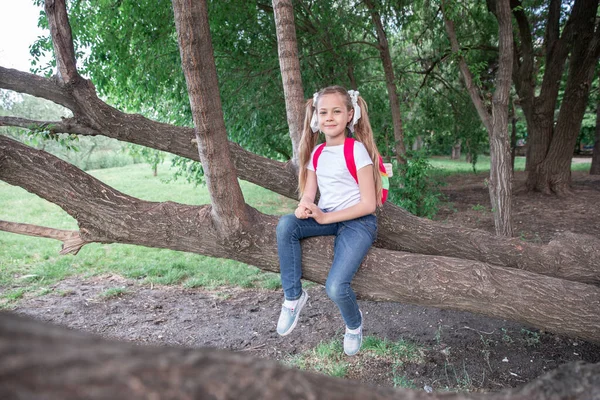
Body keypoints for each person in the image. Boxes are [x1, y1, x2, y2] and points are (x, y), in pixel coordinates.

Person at [275, 85, 384, 356]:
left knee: (335, 287)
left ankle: (354, 325)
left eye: (337, 111)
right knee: (286, 225)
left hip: (358, 222)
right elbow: (309, 195)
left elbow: (369, 204)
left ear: (350, 115)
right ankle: (293, 297)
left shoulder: (356, 150)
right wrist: (304, 208)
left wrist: (325, 217)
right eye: (323, 112)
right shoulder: (317, 154)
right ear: (316, 118)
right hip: (327, 218)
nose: (329, 117)